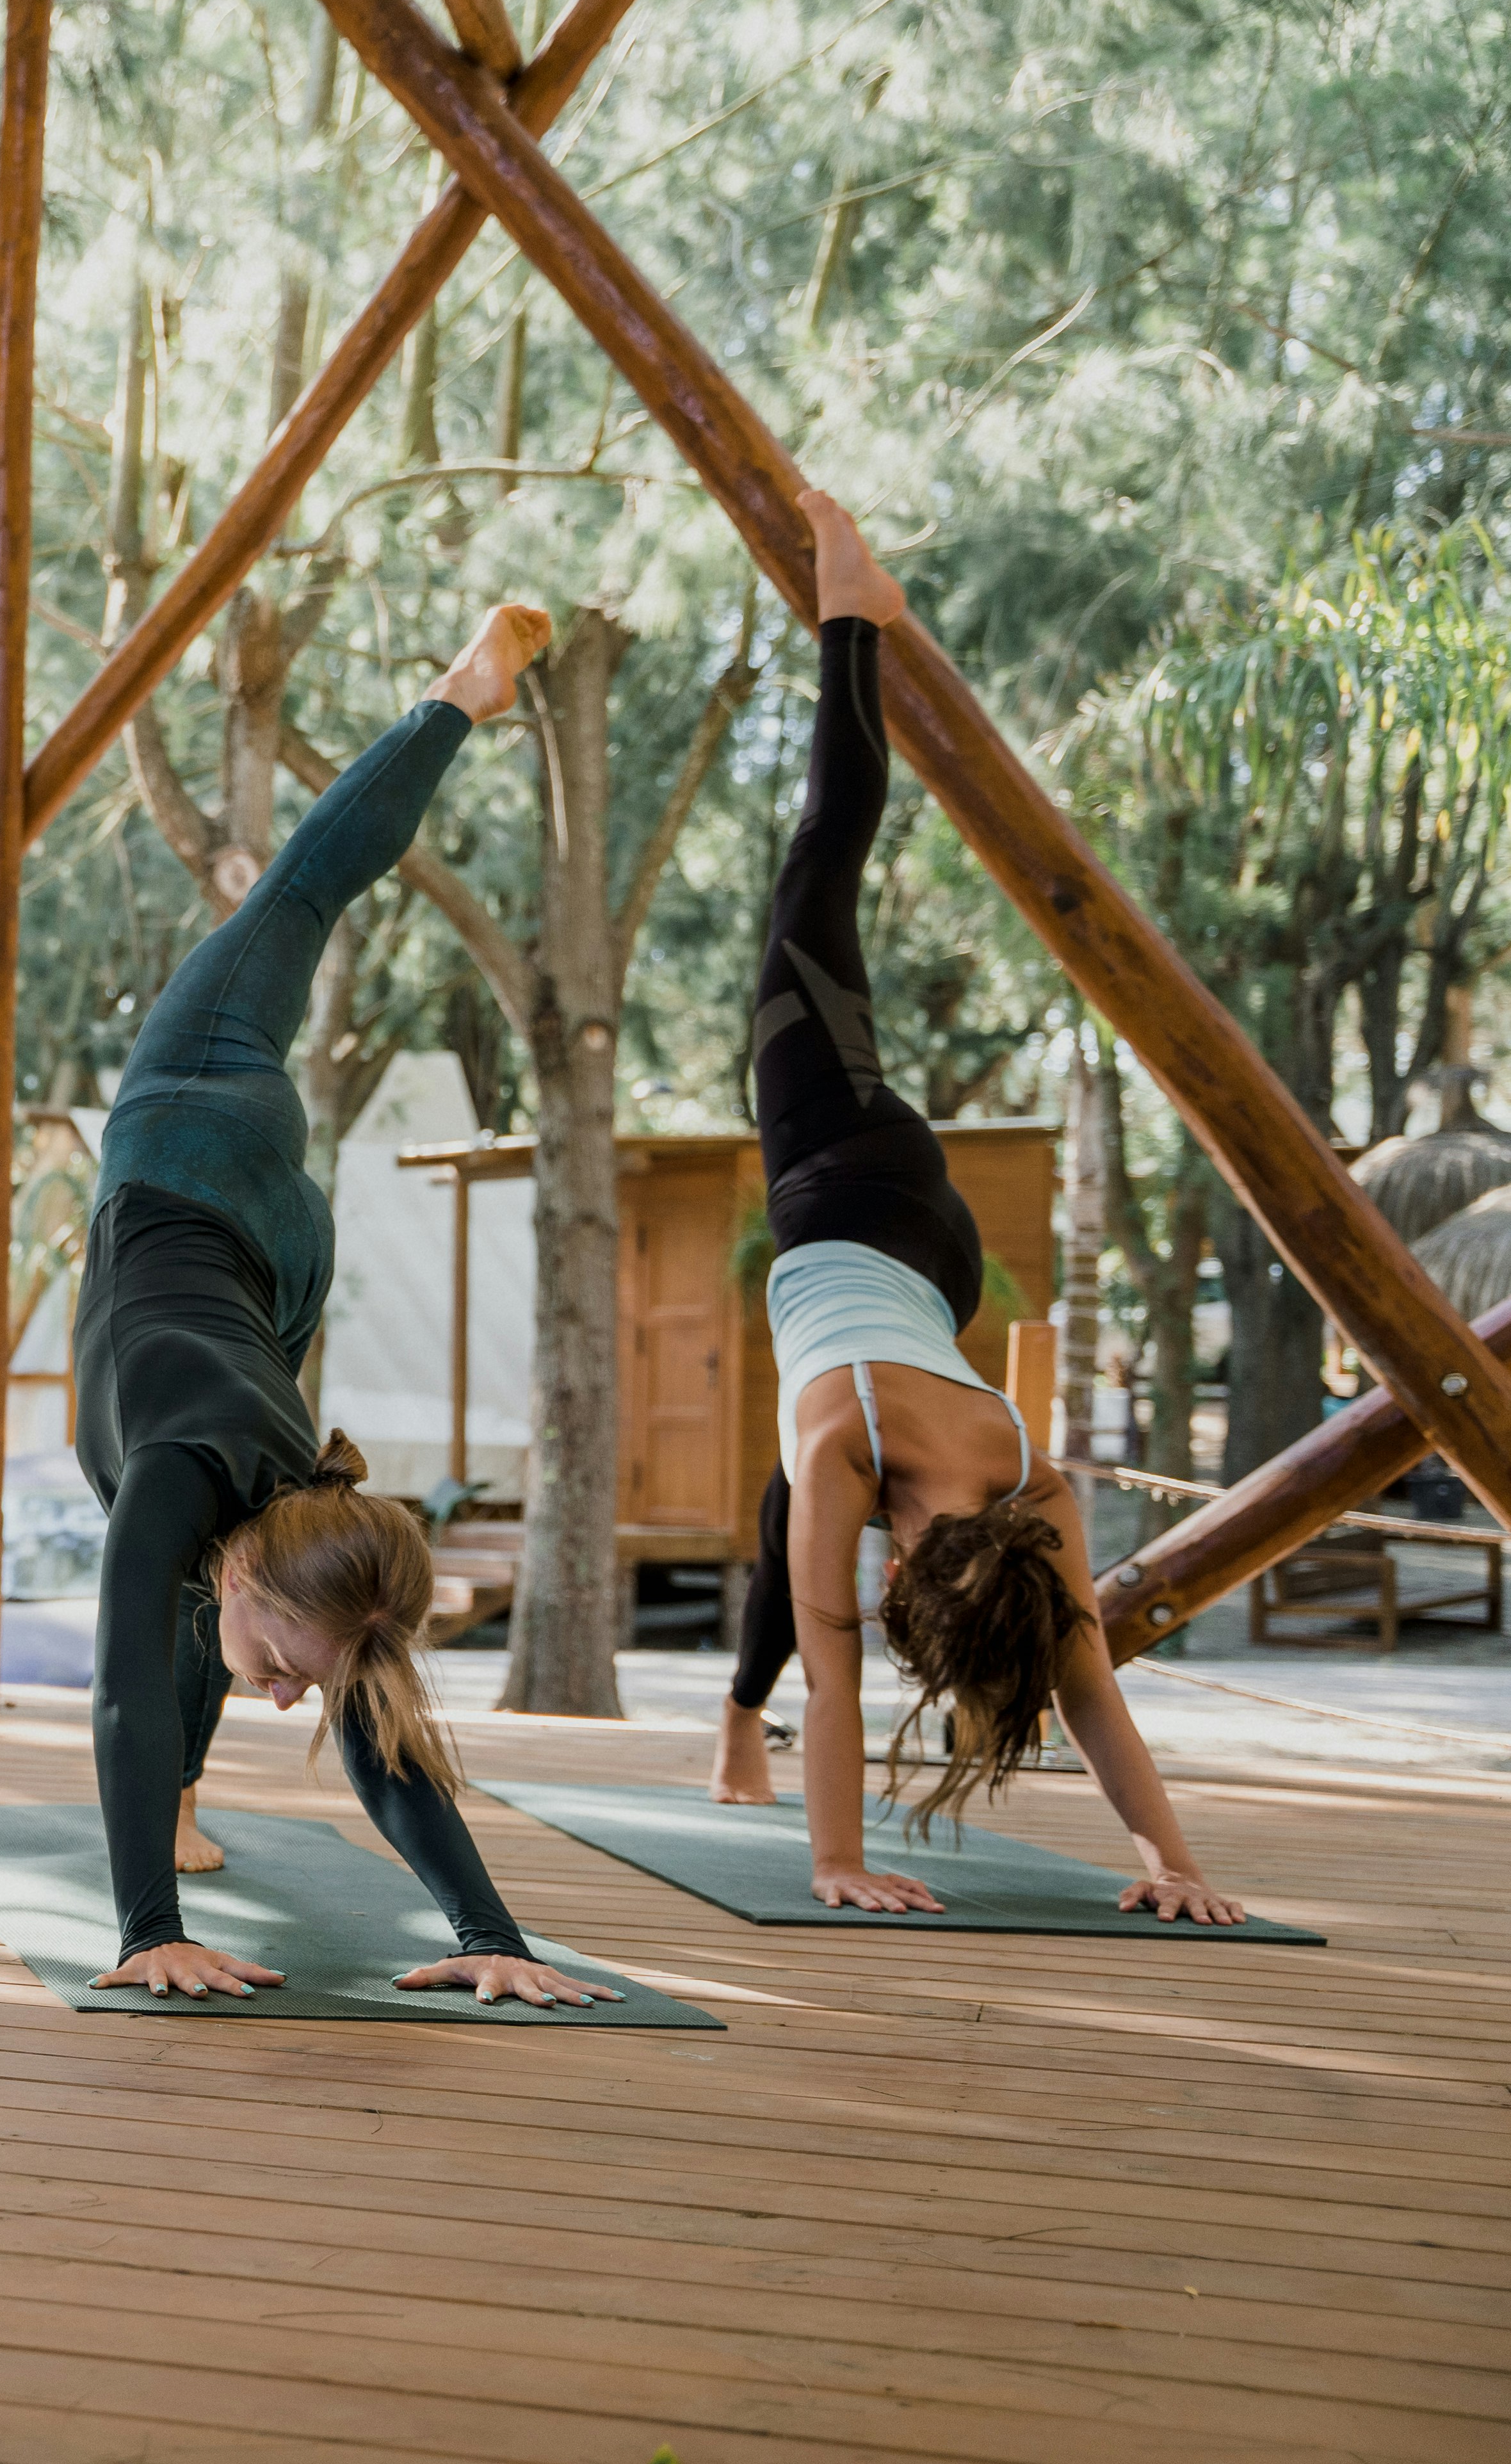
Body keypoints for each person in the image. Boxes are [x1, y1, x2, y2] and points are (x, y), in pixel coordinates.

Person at [709, 492, 1241, 1924]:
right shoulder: (849, 1447)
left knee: (779, 1517)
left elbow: (1087, 1689)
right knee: (816, 874)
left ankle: (722, 1718)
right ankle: (849, 614)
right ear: (910, 1559)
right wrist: (832, 1861)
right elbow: (840, 1673)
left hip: (937, 1264)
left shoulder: (1030, 1482)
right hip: (843, 1175)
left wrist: (1177, 1867)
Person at [79, 603, 620, 2010]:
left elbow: (373, 1713)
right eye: (285, 1668)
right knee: (297, 900)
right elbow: (128, 1689)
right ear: (260, 1577)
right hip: (203, 1132)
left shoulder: (273, 1529)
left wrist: (496, 1935)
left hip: (274, 1268)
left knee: (183, 1613)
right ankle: (454, 696)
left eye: (287, 1681)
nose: (286, 1696)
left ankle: (183, 1825)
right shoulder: (191, 1482)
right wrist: (146, 1925)